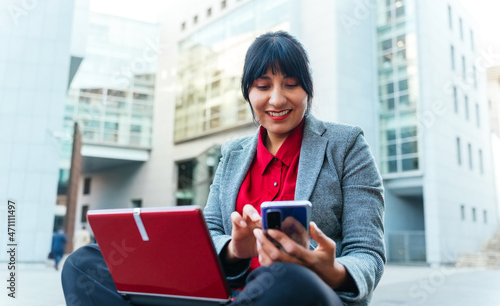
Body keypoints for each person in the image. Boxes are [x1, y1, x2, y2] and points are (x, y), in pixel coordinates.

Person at [61, 31, 385, 306]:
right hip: (228, 295)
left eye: (290, 84)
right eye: (262, 86)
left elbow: (367, 251)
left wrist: (330, 270)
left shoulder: (346, 144)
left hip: (297, 292)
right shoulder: (233, 153)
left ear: (307, 91)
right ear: (248, 91)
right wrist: (234, 249)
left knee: (285, 277)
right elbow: (211, 232)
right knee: (84, 263)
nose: (276, 99)